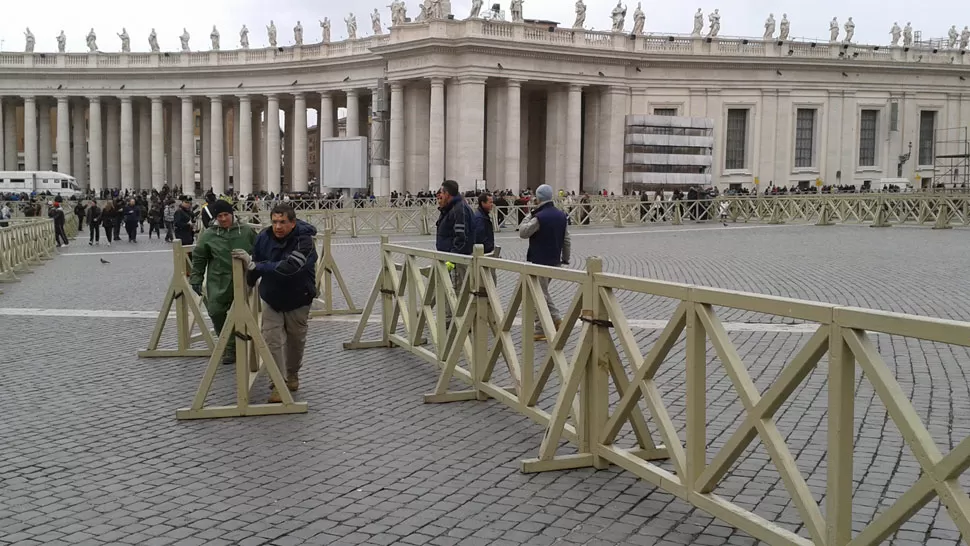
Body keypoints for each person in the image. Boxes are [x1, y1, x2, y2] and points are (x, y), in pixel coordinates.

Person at [232, 204, 317, 403]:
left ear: (293, 223)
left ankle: (292, 375)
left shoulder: (305, 241)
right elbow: (256, 262)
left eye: (283, 222)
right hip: (271, 297)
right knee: (272, 340)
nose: (278, 226)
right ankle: (278, 383)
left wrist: (256, 265)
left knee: (296, 342)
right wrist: (249, 284)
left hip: (299, 297)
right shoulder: (263, 237)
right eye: (275, 222)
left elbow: (291, 267)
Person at [190, 200, 257, 365]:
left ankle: (249, 346)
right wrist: (196, 277)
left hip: (243, 279)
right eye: (219, 216)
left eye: (226, 214)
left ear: (232, 214)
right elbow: (199, 257)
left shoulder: (246, 231)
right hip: (218, 279)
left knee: (245, 313)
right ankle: (230, 345)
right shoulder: (209, 234)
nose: (223, 218)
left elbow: (259, 251)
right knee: (215, 311)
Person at [519, 184, 571, 342]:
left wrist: (529, 215)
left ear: (537, 198)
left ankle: (546, 325)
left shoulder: (539, 217)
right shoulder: (561, 215)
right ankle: (552, 322)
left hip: (539, 260)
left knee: (540, 294)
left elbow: (523, 232)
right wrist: (565, 258)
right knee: (541, 292)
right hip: (555, 259)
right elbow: (566, 239)